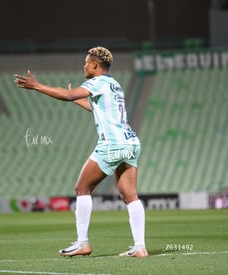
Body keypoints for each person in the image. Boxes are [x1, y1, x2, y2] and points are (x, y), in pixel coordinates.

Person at [15, 46, 147, 257]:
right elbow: (97, 108)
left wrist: (37, 86)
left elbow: (68, 95)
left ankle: (82, 243)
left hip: (111, 144)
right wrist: (76, 99)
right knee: (130, 195)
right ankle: (140, 247)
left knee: (82, 188)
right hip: (130, 142)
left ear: (95, 65)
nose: (83, 66)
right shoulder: (114, 84)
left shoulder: (96, 82)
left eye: (86, 63)